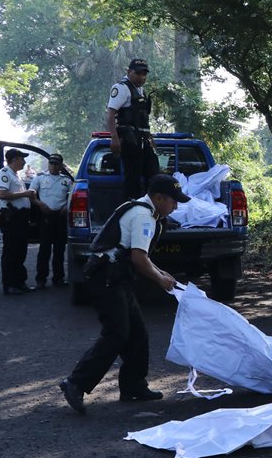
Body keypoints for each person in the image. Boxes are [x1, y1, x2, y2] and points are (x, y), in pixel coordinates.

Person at [58, 174, 190, 414]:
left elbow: (137, 255)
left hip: (115, 277)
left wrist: (162, 272)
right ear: (158, 197)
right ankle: (75, 383)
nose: (176, 206)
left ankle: (133, 386)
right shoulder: (143, 217)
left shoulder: (141, 209)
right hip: (106, 279)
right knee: (117, 334)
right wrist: (160, 280)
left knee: (137, 333)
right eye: (173, 201)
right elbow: (139, 259)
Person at [106, 57, 160, 200]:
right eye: (138, 73)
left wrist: (150, 137)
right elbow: (111, 114)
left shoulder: (141, 90)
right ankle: (132, 210)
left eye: (144, 74)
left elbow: (142, 119)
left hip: (143, 140)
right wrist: (114, 138)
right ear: (129, 72)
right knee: (133, 180)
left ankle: (153, 211)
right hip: (130, 141)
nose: (142, 77)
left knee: (154, 176)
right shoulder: (122, 88)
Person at [0, 148, 37, 295]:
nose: (24, 161)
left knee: (20, 251)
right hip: (12, 217)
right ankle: (10, 284)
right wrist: (25, 193)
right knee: (11, 251)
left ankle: (19, 282)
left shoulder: (16, 176)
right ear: (14, 159)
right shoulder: (4, 174)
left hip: (21, 218)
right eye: (22, 158)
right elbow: (2, 194)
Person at [30, 153, 73, 288]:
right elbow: (31, 195)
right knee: (44, 249)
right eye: (51, 164)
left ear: (61, 165)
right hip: (45, 217)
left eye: (56, 164)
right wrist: (40, 204)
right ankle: (41, 279)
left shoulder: (67, 180)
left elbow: (72, 197)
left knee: (59, 250)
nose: (53, 166)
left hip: (60, 217)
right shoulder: (40, 178)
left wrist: (67, 207)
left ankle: (58, 278)